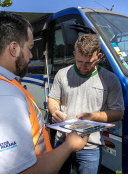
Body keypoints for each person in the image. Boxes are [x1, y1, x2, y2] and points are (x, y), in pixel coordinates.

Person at [0, 11, 88, 174]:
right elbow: (24, 171)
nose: (31, 56)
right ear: (14, 48)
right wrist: (69, 145)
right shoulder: (1, 96)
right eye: (29, 48)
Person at [48, 34, 124, 174]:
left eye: (89, 62)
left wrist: (92, 116)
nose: (83, 66)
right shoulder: (62, 74)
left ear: (99, 57)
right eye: (79, 61)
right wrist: (54, 112)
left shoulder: (111, 80)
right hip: (62, 141)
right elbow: (53, 99)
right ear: (74, 54)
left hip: (91, 147)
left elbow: (118, 112)